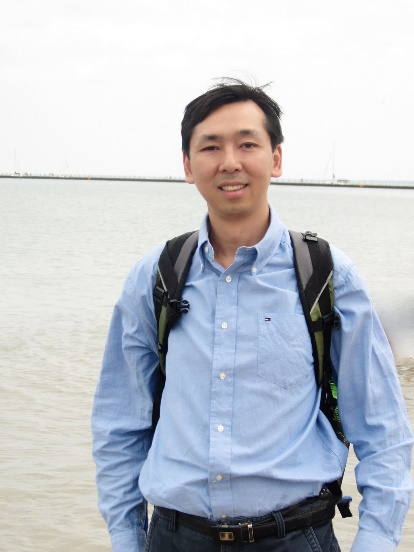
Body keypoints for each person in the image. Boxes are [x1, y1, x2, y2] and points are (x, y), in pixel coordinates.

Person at [92, 79, 413, 552]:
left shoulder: (326, 274)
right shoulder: (155, 277)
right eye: (210, 147)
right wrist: (127, 538)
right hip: (174, 538)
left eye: (247, 144)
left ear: (275, 159)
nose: (230, 162)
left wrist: (376, 540)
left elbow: (382, 429)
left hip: (296, 537)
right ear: (188, 165)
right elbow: (120, 426)